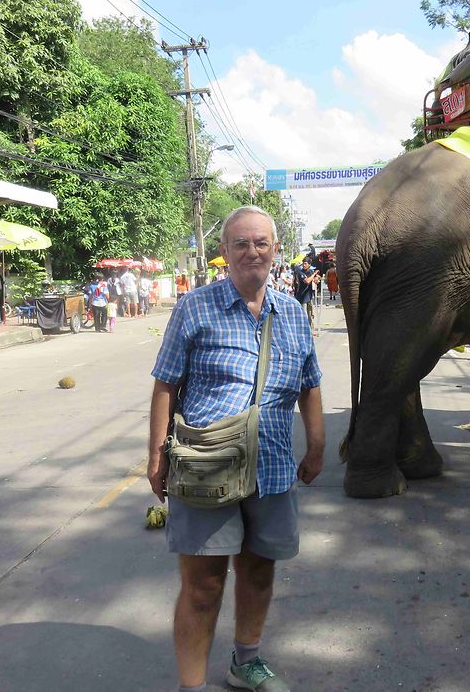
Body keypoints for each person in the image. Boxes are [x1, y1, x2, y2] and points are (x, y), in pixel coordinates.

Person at [148, 205, 324, 692]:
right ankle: (192, 686)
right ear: (224, 252)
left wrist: (317, 444)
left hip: (272, 466)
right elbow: (166, 383)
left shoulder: (291, 311)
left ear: (275, 250)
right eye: (241, 243)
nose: (252, 252)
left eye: (261, 243)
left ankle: (245, 662)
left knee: (259, 569)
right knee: (203, 585)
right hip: (207, 466)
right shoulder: (194, 307)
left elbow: (310, 383)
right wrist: (156, 454)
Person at [292, 258, 320, 327]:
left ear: (309, 265)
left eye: (305, 263)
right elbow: (307, 281)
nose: (304, 265)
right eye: (303, 263)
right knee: (303, 315)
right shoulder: (300, 272)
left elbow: (316, 280)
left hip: (309, 296)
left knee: (310, 314)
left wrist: (317, 279)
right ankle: (302, 328)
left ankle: (310, 328)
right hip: (302, 297)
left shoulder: (311, 271)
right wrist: (314, 275)